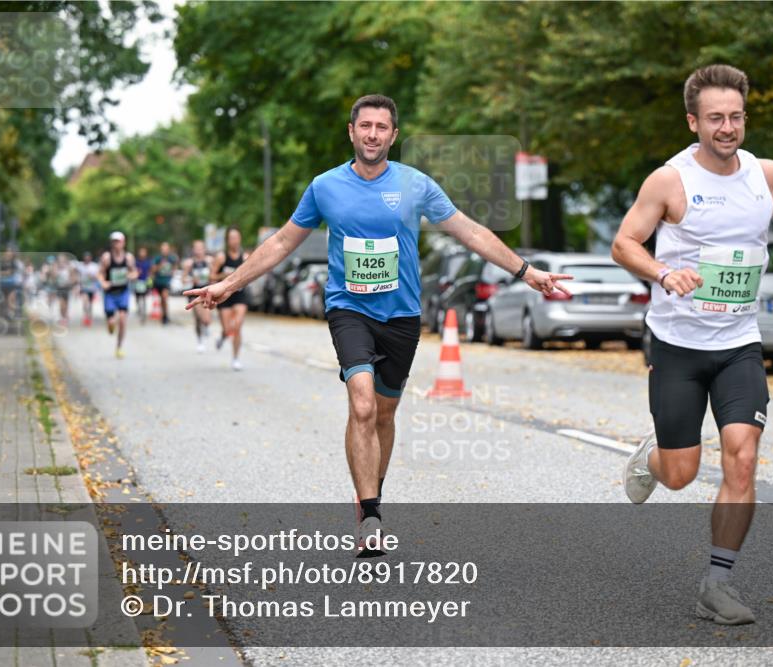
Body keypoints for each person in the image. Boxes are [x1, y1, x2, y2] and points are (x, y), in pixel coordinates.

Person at [187, 94, 571, 556]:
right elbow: (284, 241)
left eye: (381, 127)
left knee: (385, 413)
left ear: (393, 135)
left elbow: (470, 231)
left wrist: (527, 273)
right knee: (363, 403)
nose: (372, 134)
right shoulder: (325, 187)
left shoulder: (415, 185)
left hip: (402, 315)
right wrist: (229, 283)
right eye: (364, 125)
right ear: (351, 132)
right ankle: (370, 515)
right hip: (349, 308)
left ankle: (373, 490)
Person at [611, 64, 773, 625]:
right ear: (693, 121)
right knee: (681, 474)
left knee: (742, 459)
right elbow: (624, 242)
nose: (728, 127)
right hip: (677, 344)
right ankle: (652, 459)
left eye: (736, 117)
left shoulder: (765, 174)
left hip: (739, 342)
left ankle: (716, 584)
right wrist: (662, 272)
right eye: (716, 118)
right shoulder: (669, 181)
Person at [211, 229, 248, 369]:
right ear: (227, 240)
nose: (234, 240)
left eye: (236, 237)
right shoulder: (221, 257)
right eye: (231, 238)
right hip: (224, 297)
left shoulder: (245, 258)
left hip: (239, 295)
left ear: (240, 239)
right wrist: (224, 277)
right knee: (228, 329)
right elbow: (212, 276)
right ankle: (223, 336)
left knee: (237, 327)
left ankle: (236, 358)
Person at [99, 231, 138, 359]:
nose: (116, 244)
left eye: (119, 241)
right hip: (110, 293)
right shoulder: (106, 257)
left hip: (123, 292)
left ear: (123, 242)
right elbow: (100, 273)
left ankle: (119, 347)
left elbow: (134, 272)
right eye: (114, 241)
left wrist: (131, 276)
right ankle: (110, 325)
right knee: (111, 322)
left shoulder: (128, 258)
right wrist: (103, 282)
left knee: (122, 319)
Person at [182, 239, 214, 353]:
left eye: (201, 248)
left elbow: (215, 276)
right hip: (195, 295)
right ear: (193, 250)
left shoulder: (210, 261)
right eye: (196, 248)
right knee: (198, 319)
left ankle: (206, 326)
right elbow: (183, 279)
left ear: (204, 249)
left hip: (207, 293)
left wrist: (211, 277)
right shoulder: (189, 263)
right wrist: (191, 279)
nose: (199, 250)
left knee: (207, 319)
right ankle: (200, 341)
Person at [151, 241, 179, 325]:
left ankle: (165, 316)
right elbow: (153, 270)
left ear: (168, 249)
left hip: (167, 282)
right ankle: (164, 314)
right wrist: (160, 265)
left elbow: (175, 265)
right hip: (158, 282)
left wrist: (173, 272)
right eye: (163, 249)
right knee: (162, 300)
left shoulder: (171, 258)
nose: (164, 250)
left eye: (166, 249)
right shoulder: (157, 258)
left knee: (164, 297)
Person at [78, 251, 102, 327]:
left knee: (90, 304)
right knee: (85, 302)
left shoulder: (94, 266)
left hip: (92, 288)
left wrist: (92, 276)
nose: (86, 258)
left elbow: (98, 276)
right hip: (83, 288)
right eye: (85, 257)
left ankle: (89, 316)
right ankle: (86, 316)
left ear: (90, 258)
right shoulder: (80, 266)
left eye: (88, 257)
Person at [52, 253, 75, 326]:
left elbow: (73, 278)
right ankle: (62, 317)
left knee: (66, 303)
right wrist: (56, 271)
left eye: (63, 259)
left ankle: (65, 316)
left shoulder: (69, 267)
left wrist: (70, 282)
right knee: (61, 303)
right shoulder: (56, 267)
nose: (61, 261)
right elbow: (53, 277)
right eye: (60, 259)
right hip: (59, 288)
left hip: (67, 288)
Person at [134, 246, 152, 324]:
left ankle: (143, 314)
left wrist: (150, 279)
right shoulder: (136, 262)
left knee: (144, 298)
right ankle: (139, 309)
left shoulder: (148, 262)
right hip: (137, 282)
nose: (142, 254)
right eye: (141, 252)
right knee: (138, 298)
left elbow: (150, 271)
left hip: (145, 282)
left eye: (143, 252)